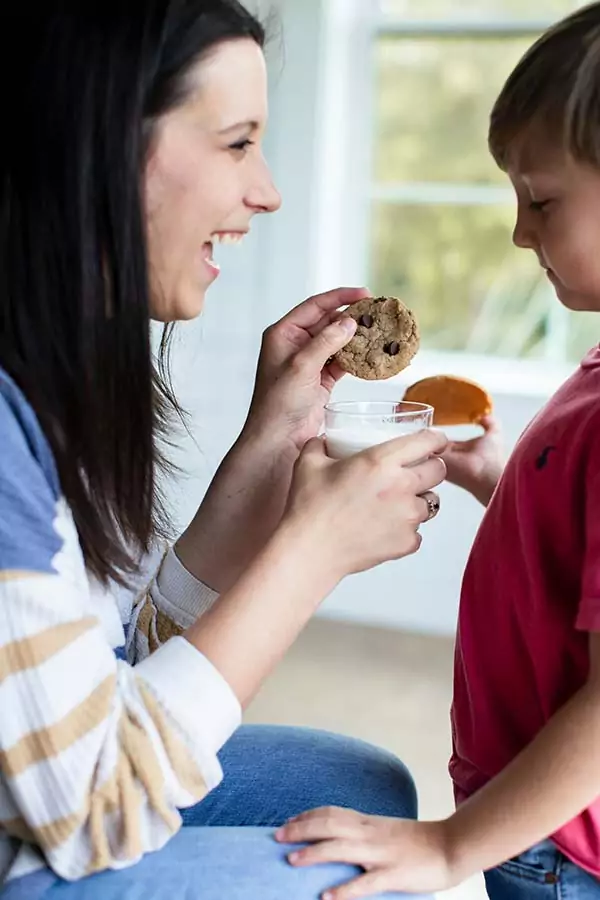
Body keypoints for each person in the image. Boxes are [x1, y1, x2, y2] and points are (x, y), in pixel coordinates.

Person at [0, 3, 447, 899]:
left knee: (366, 791)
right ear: (95, 143)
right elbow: (93, 804)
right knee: (368, 876)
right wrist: (311, 553)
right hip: (46, 835)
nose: (267, 191)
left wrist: (270, 447)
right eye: (238, 143)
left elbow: (115, 666)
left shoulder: (60, 376)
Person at [275, 4, 600, 899]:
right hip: (531, 818)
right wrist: (505, 486)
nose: (520, 232)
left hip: (557, 846)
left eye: (541, 200)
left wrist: (452, 849)